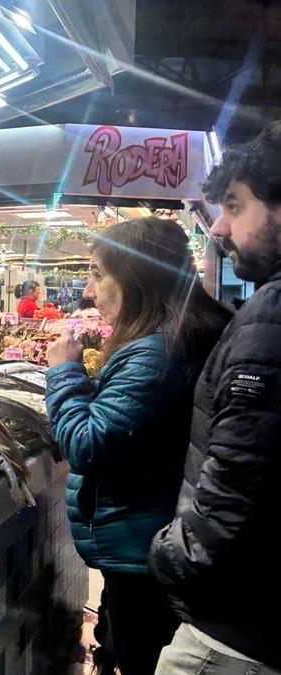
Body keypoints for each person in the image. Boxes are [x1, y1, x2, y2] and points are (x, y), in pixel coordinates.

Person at [43, 218, 231, 675]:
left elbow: (89, 446)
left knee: (139, 654)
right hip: (152, 541)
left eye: (97, 273)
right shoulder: (183, 331)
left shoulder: (156, 351)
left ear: (134, 276)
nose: (90, 291)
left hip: (143, 554)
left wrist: (64, 372)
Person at [150, 121, 281, 672]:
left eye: (235, 205)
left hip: (236, 637)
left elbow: (233, 495)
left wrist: (167, 555)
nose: (221, 228)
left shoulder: (271, 321)